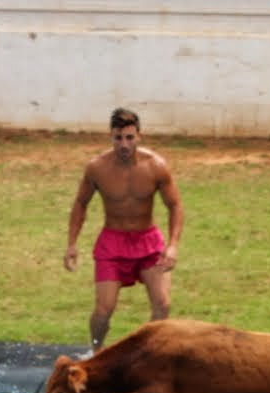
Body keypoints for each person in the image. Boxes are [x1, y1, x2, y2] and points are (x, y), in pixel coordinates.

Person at [63, 107, 184, 354]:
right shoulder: (97, 168)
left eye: (129, 137)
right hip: (113, 244)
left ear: (139, 136)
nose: (124, 144)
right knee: (103, 310)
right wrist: (72, 244)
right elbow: (80, 203)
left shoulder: (156, 166)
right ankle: (96, 352)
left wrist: (172, 244)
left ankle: (150, 356)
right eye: (118, 138)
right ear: (111, 137)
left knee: (163, 304)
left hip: (148, 242)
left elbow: (175, 205)